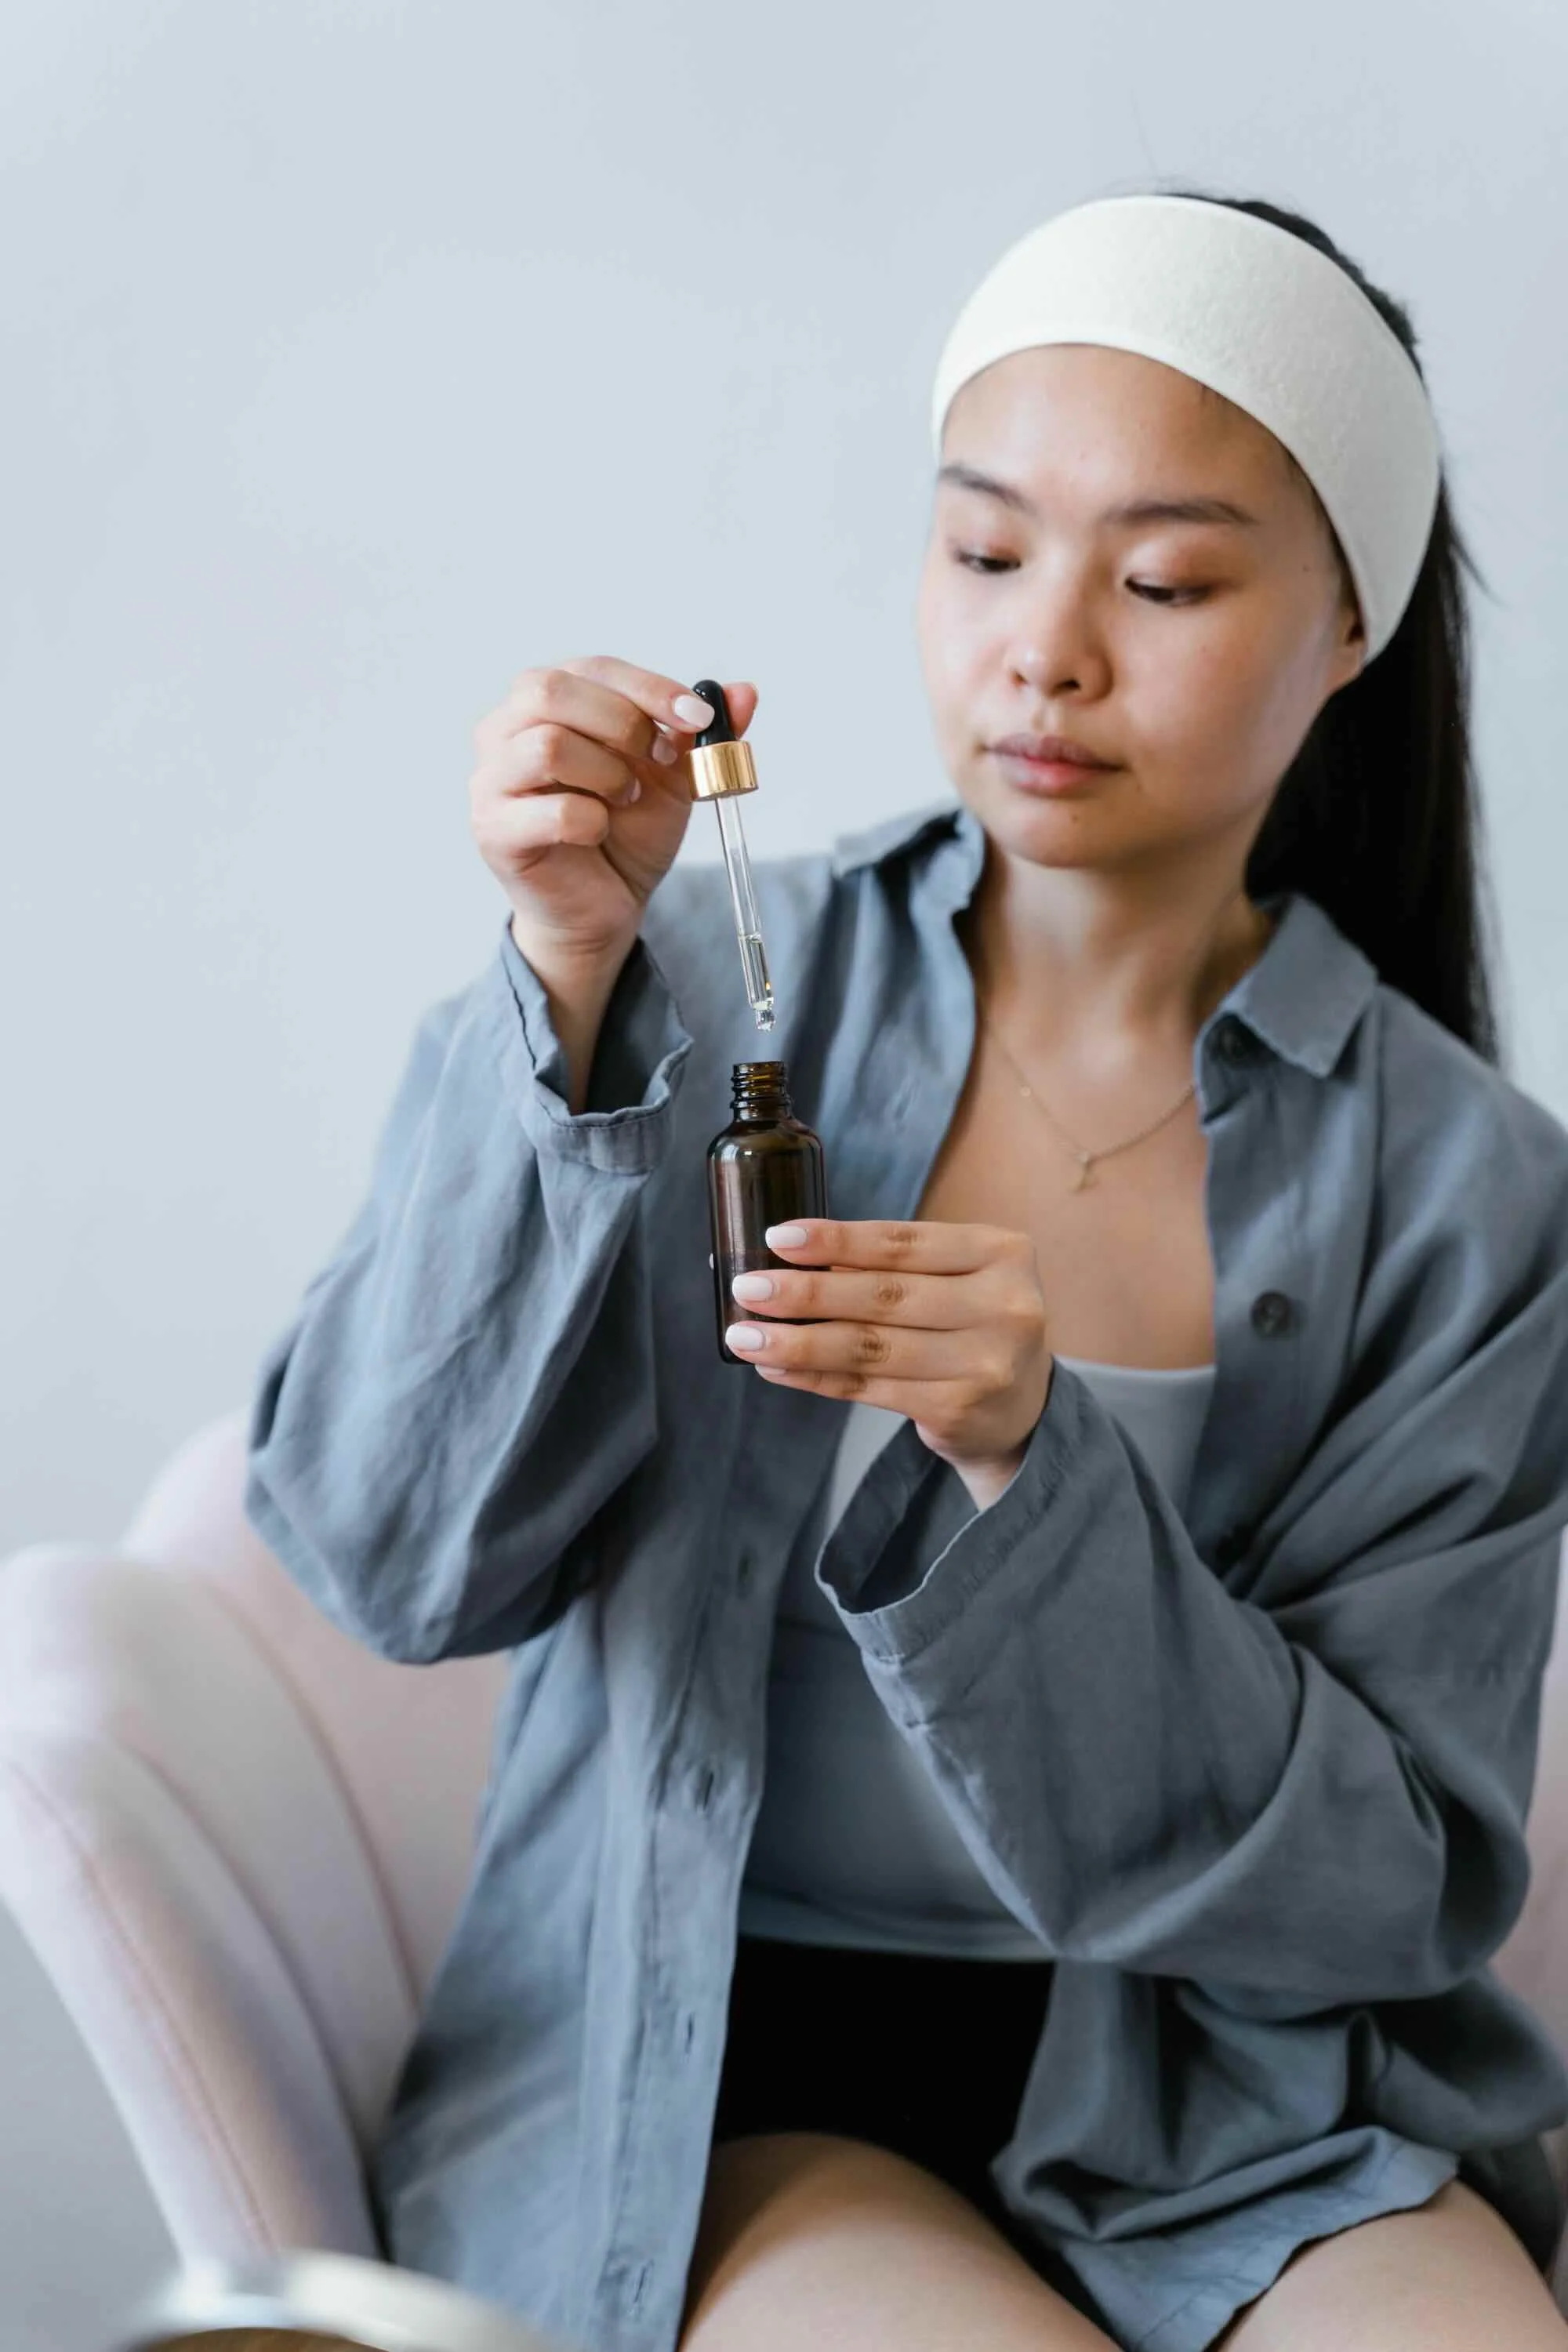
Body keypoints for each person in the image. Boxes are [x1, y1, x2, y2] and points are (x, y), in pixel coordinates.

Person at [243, 184, 1568, 2352]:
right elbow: (388, 1560)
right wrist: (564, 988)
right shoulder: (672, 991)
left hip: (1236, 2101)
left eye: (1161, 578)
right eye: (980, 551)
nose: (1044, 646)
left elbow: (1387, 1887)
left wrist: (1029, 1479)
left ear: (1348, 631)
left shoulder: (1468, 1187)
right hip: (727, 2076)